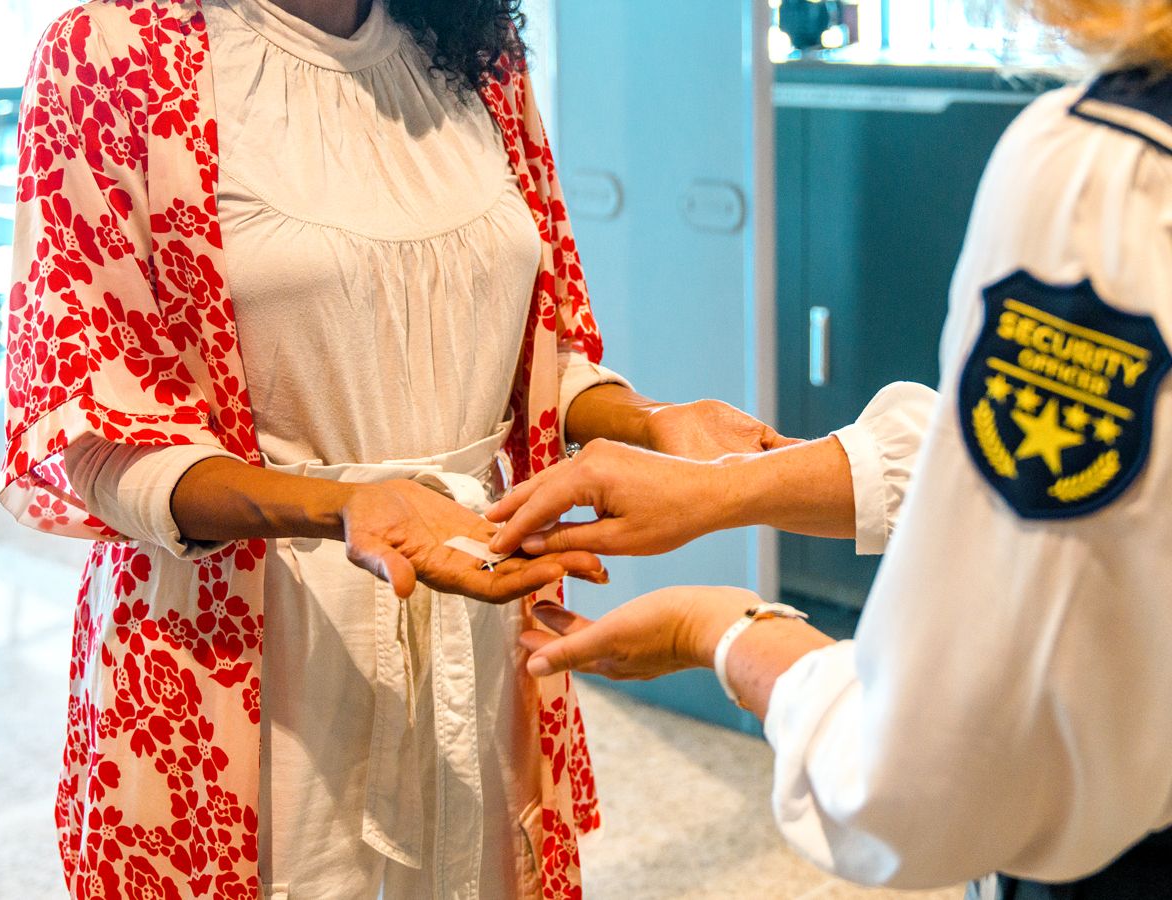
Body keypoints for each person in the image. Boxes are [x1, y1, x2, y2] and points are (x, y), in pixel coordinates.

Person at [0, 1, 782, 897]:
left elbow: (538, 350)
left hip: (477, 609)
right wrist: (340, 506)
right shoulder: (115, 52)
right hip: (253, 646)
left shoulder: (473, 53)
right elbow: (88, 429)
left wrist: (648, 424)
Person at [488, 2, 1172, 897]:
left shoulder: (1110, 172)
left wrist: (727, 631)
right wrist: (733, 488)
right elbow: (1099, 472)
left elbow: (925, 775)